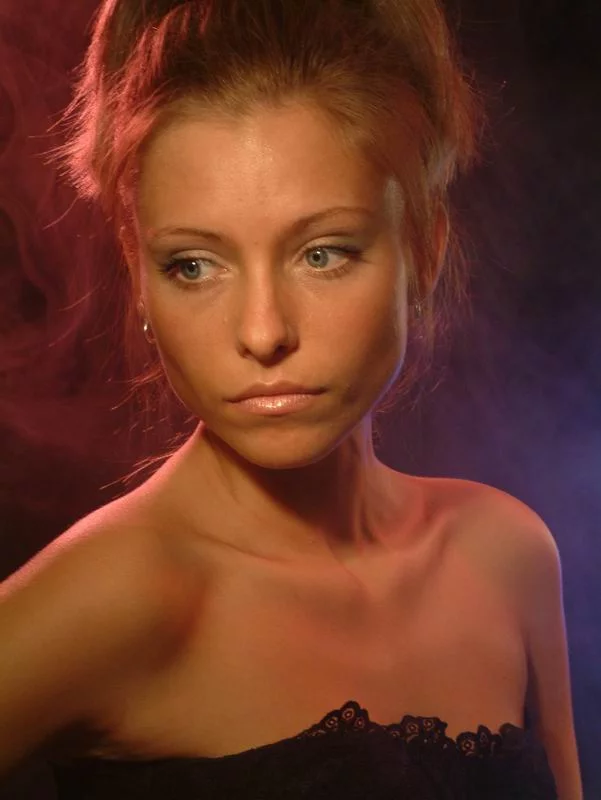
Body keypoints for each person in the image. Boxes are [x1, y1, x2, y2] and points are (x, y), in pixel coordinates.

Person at [0, 0, 582, 797]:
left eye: (322, 253)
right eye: (193, 265)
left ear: (423, 249)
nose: (263, 332)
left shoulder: (504, 553)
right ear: (137, 276)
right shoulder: (121, 595)